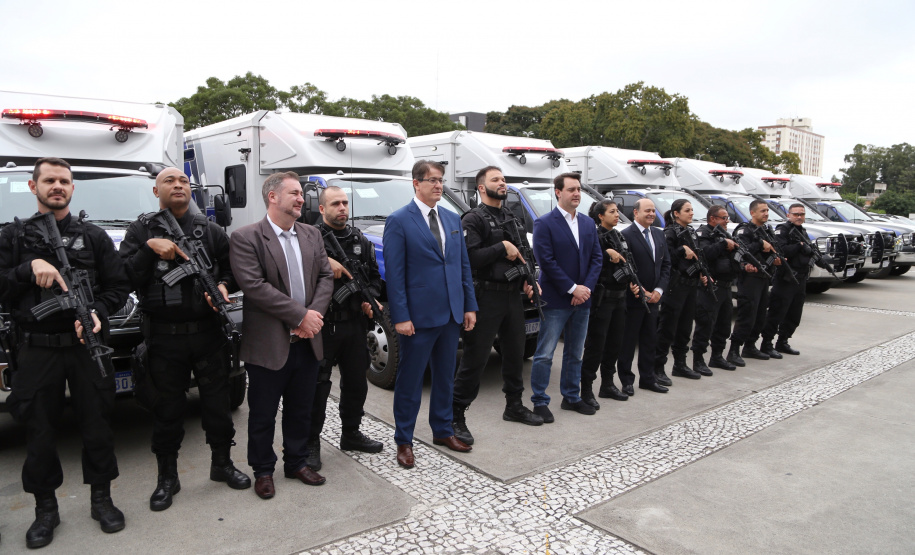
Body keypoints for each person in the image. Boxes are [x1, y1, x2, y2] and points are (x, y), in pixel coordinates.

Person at [0, 157, 130, 548]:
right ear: (33, 186)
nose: (58, 186)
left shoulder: (92, 237)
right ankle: (45, 510)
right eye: (50, 180)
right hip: (37, 348)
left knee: (97, 424)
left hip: (84, 347)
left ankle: (102, 499)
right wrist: (27, 268)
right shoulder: (13, 237)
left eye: (65, 181)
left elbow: (118, 287)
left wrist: (97, 313)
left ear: (73, 188)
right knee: (39, 431)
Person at [119, 167, 250, 511]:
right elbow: (124, 276)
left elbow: (233, 269)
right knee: (167, 411)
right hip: (164, 339)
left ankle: (222, 464)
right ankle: (167, 477)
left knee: (218, 406)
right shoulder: (140, 230)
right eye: (170, 181)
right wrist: (149, 249)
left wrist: (222, 286)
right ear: (156, 191)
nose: (178, 185)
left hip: (208, 335)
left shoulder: (209, 230)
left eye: (184, 182)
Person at [229, 171, 333, 499]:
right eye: (294, 193)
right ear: (273, 197)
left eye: (302, 193)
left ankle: (297, 462)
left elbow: (326, 277)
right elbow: (254, 287)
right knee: (262, 413)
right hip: (269, 345)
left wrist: (312, 318)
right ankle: (262, 470)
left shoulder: (312, 234)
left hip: (307, 341)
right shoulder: (246, 237)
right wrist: (300, 316)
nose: (302, 199)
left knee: (301, 408)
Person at [383, 160, 477, 469]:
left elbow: (462, 266)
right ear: (416, 183)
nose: (438, 185)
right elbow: (395, 276)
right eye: (431, 180)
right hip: (418, 319)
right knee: (410, 382)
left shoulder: (452, 218)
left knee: (445, 378)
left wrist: (469, 305)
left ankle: (442, 430)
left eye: (440, 180)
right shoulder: (399, 221)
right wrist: (400, 316)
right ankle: (404, 440)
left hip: (451, 314)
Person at [451, 166, 543, 446]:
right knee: (475, 359)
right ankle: (456, 415)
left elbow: (523, 253)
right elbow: (470, 258)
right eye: (495, 180)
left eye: (503, 179)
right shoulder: (473, 219)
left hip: (513, 296)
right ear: (481, 187)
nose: (502, 183)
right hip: (485, 297)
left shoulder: (511, 217)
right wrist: (501, 247)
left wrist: (529, 280)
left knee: (515, 355)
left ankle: (514, 406)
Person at [305, 186, 384, 471]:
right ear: (322, 209)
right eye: (335, 204)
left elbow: (374, 278)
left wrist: (370, 298)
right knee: (318, 387)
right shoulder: (309, 238)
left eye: (345, 203)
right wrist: (323, 261)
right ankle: (311, 442)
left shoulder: (359, 239)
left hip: (354, 324)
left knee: (355, 383)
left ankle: (351, 432)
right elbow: (297, 272)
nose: (342, 208)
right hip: (324, 325)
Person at [529, 173, 603, 422]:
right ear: (558, 192)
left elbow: (596, 259)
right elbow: (546, 262)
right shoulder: (544, 223)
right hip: (557, 300)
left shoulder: (587, 223)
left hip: (583, 300)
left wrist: (585, 290)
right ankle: (539, 401)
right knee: (545, 354)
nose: (577, 194)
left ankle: (571, 397)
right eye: (571, 189)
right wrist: (572, 289)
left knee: (575, 352)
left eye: (579, 189)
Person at [580, 200, 640, 406]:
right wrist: (606, 254)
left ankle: (607, 384)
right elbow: (588, 260)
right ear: (600, 216)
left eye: (618, 211)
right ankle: (586, 389)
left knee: (614, 344)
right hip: (602, 299)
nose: (617, 215)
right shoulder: (594, 237)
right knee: (596, 345)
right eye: (612, 212)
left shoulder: (619, 236)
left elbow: (628, 262)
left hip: (620, 298)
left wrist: (633, 282)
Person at [617, 199, 671, 395]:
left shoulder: (658, 234)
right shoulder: (626, 236)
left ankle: (648, 379)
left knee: (650, 340)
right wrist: (641, 290)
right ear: (636, 212)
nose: (651, 214)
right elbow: (626, 267)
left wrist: (659, 291)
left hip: (654, 298)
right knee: (629, 341)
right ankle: (626, 380)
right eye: (647, 210)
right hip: (634, 299)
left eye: (654, 211)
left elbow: (666, 266)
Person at [691, 205, 754, 373]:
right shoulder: (703, 233)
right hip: (710, 287)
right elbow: (703, 253)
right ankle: (698, 360)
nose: (727, 221)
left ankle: (717, 356)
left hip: (726, 286)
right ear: (713, 219)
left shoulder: (724, 234)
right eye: (724, 218)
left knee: (724, 325)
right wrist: (722, 244)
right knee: (705, 325)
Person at [654, 200, 708, 384]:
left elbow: (698, 255)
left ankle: (680, 364)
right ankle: (658, 368)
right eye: (687, 210)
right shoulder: (670, 232)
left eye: (692, 210)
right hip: (675, 287)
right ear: (676, 213)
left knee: (685, 328)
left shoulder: (691, 231)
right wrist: (680, 250)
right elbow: (665, 257)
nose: (691, 213)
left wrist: (702, 273)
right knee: (667, 328)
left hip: (691, 286)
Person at [728, 199, 781, 366]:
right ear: (753, 213)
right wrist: (759, 244)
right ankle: (734, 350)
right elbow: (740, 250)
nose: (766, 213)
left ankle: (750, 346)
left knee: (759, 315)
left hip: (764, 277)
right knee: (747, 315)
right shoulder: (745, 230)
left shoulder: (767, 230)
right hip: (749, 278)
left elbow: (776, 247)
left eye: (767, 211)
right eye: (762, 211)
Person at [760, 204, 813, 357]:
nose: (799, 217)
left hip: (800, 279)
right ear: (788, 215)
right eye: (796, 214)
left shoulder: (802, 231)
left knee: (794, 315)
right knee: (777, 312)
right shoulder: (783, 230)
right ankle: (767, 343)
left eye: (802, 214)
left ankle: (783, 341)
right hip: (786, 278)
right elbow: (781, 250)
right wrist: (799, 245)